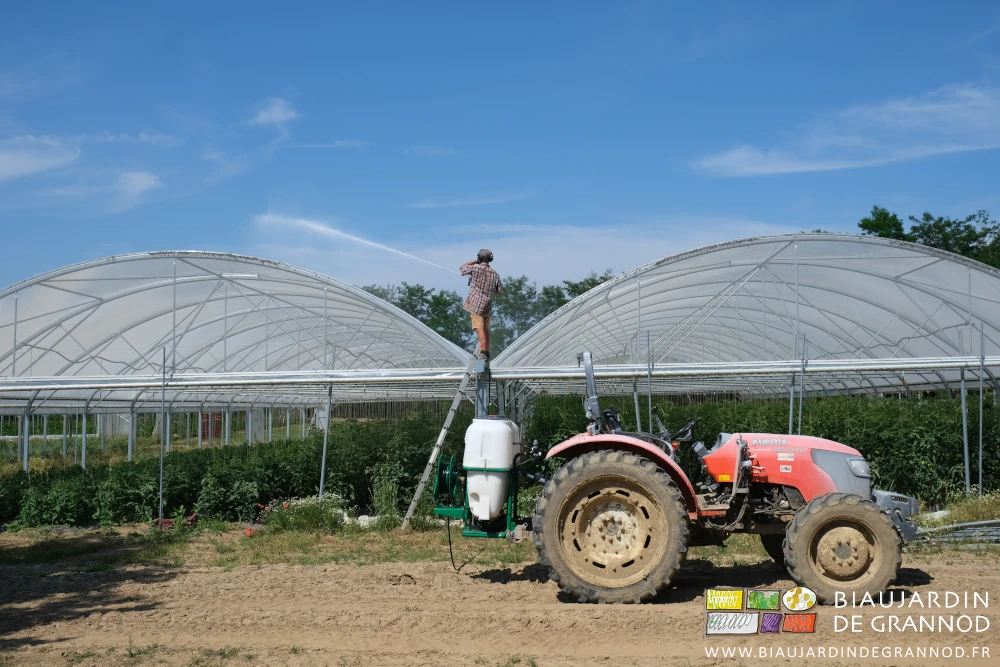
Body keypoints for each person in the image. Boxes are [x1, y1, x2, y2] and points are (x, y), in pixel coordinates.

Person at [460, 249, 502, 360]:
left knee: (479, 329)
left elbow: (462, 267)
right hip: (488, 305)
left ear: (479, 257)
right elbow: (499, 290)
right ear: (490, 259)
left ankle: (482, 353)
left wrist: (476, 261)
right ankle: (486, 353)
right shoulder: (495, 274)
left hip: (476, 305)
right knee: (486, 330)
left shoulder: (475, 268)